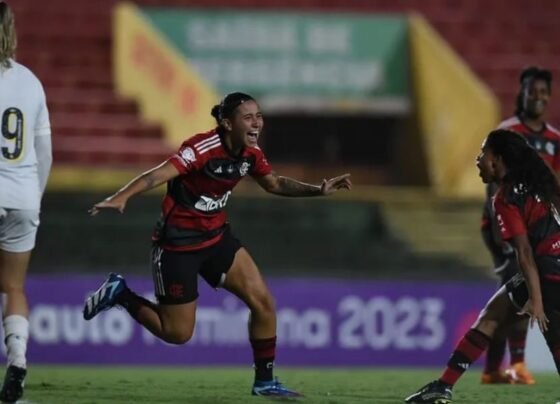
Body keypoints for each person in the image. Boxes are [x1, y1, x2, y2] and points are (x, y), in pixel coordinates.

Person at [82, 92, 351, 397]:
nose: (256, 123)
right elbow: (158, 174)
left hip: (216, 239)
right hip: (177, 246)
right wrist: (121, 197)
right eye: (248, 117)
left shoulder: (250, 154)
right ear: (227, 123)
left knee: (263, 303)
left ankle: (265, 382)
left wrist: (318, 190)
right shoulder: (202, 148)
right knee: (177, 333)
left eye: (258, 116)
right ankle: (120, 293)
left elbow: (274, 183)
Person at [405, 129, 560, 404]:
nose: (478, 160)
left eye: (482, 153)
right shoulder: (540, 182)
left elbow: (524, 253)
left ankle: (443, 386)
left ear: (496, 159)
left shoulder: (505, 198)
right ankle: (442, 386)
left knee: (491, 318)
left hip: (548, 269)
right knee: (551, 332)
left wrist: (536, 300)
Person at [480, 66, 560, 385]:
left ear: (549, 96)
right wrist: (499, 230)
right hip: (507, 225)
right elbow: (493, 184)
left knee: (512, 297)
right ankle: (516, 363)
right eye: (531, 90)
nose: (537, 96)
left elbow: (554, 185)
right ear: (522, 93)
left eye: (542, 91)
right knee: (518, 290)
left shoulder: (555, 139)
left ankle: (494, 369)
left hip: (538, 228)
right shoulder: (508, 132)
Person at [0, 1, 53, 402]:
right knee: (14, 286)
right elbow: (44, 153)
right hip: (22, 197)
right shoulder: (30, 82)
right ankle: (17, 358)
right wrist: (33, 198)